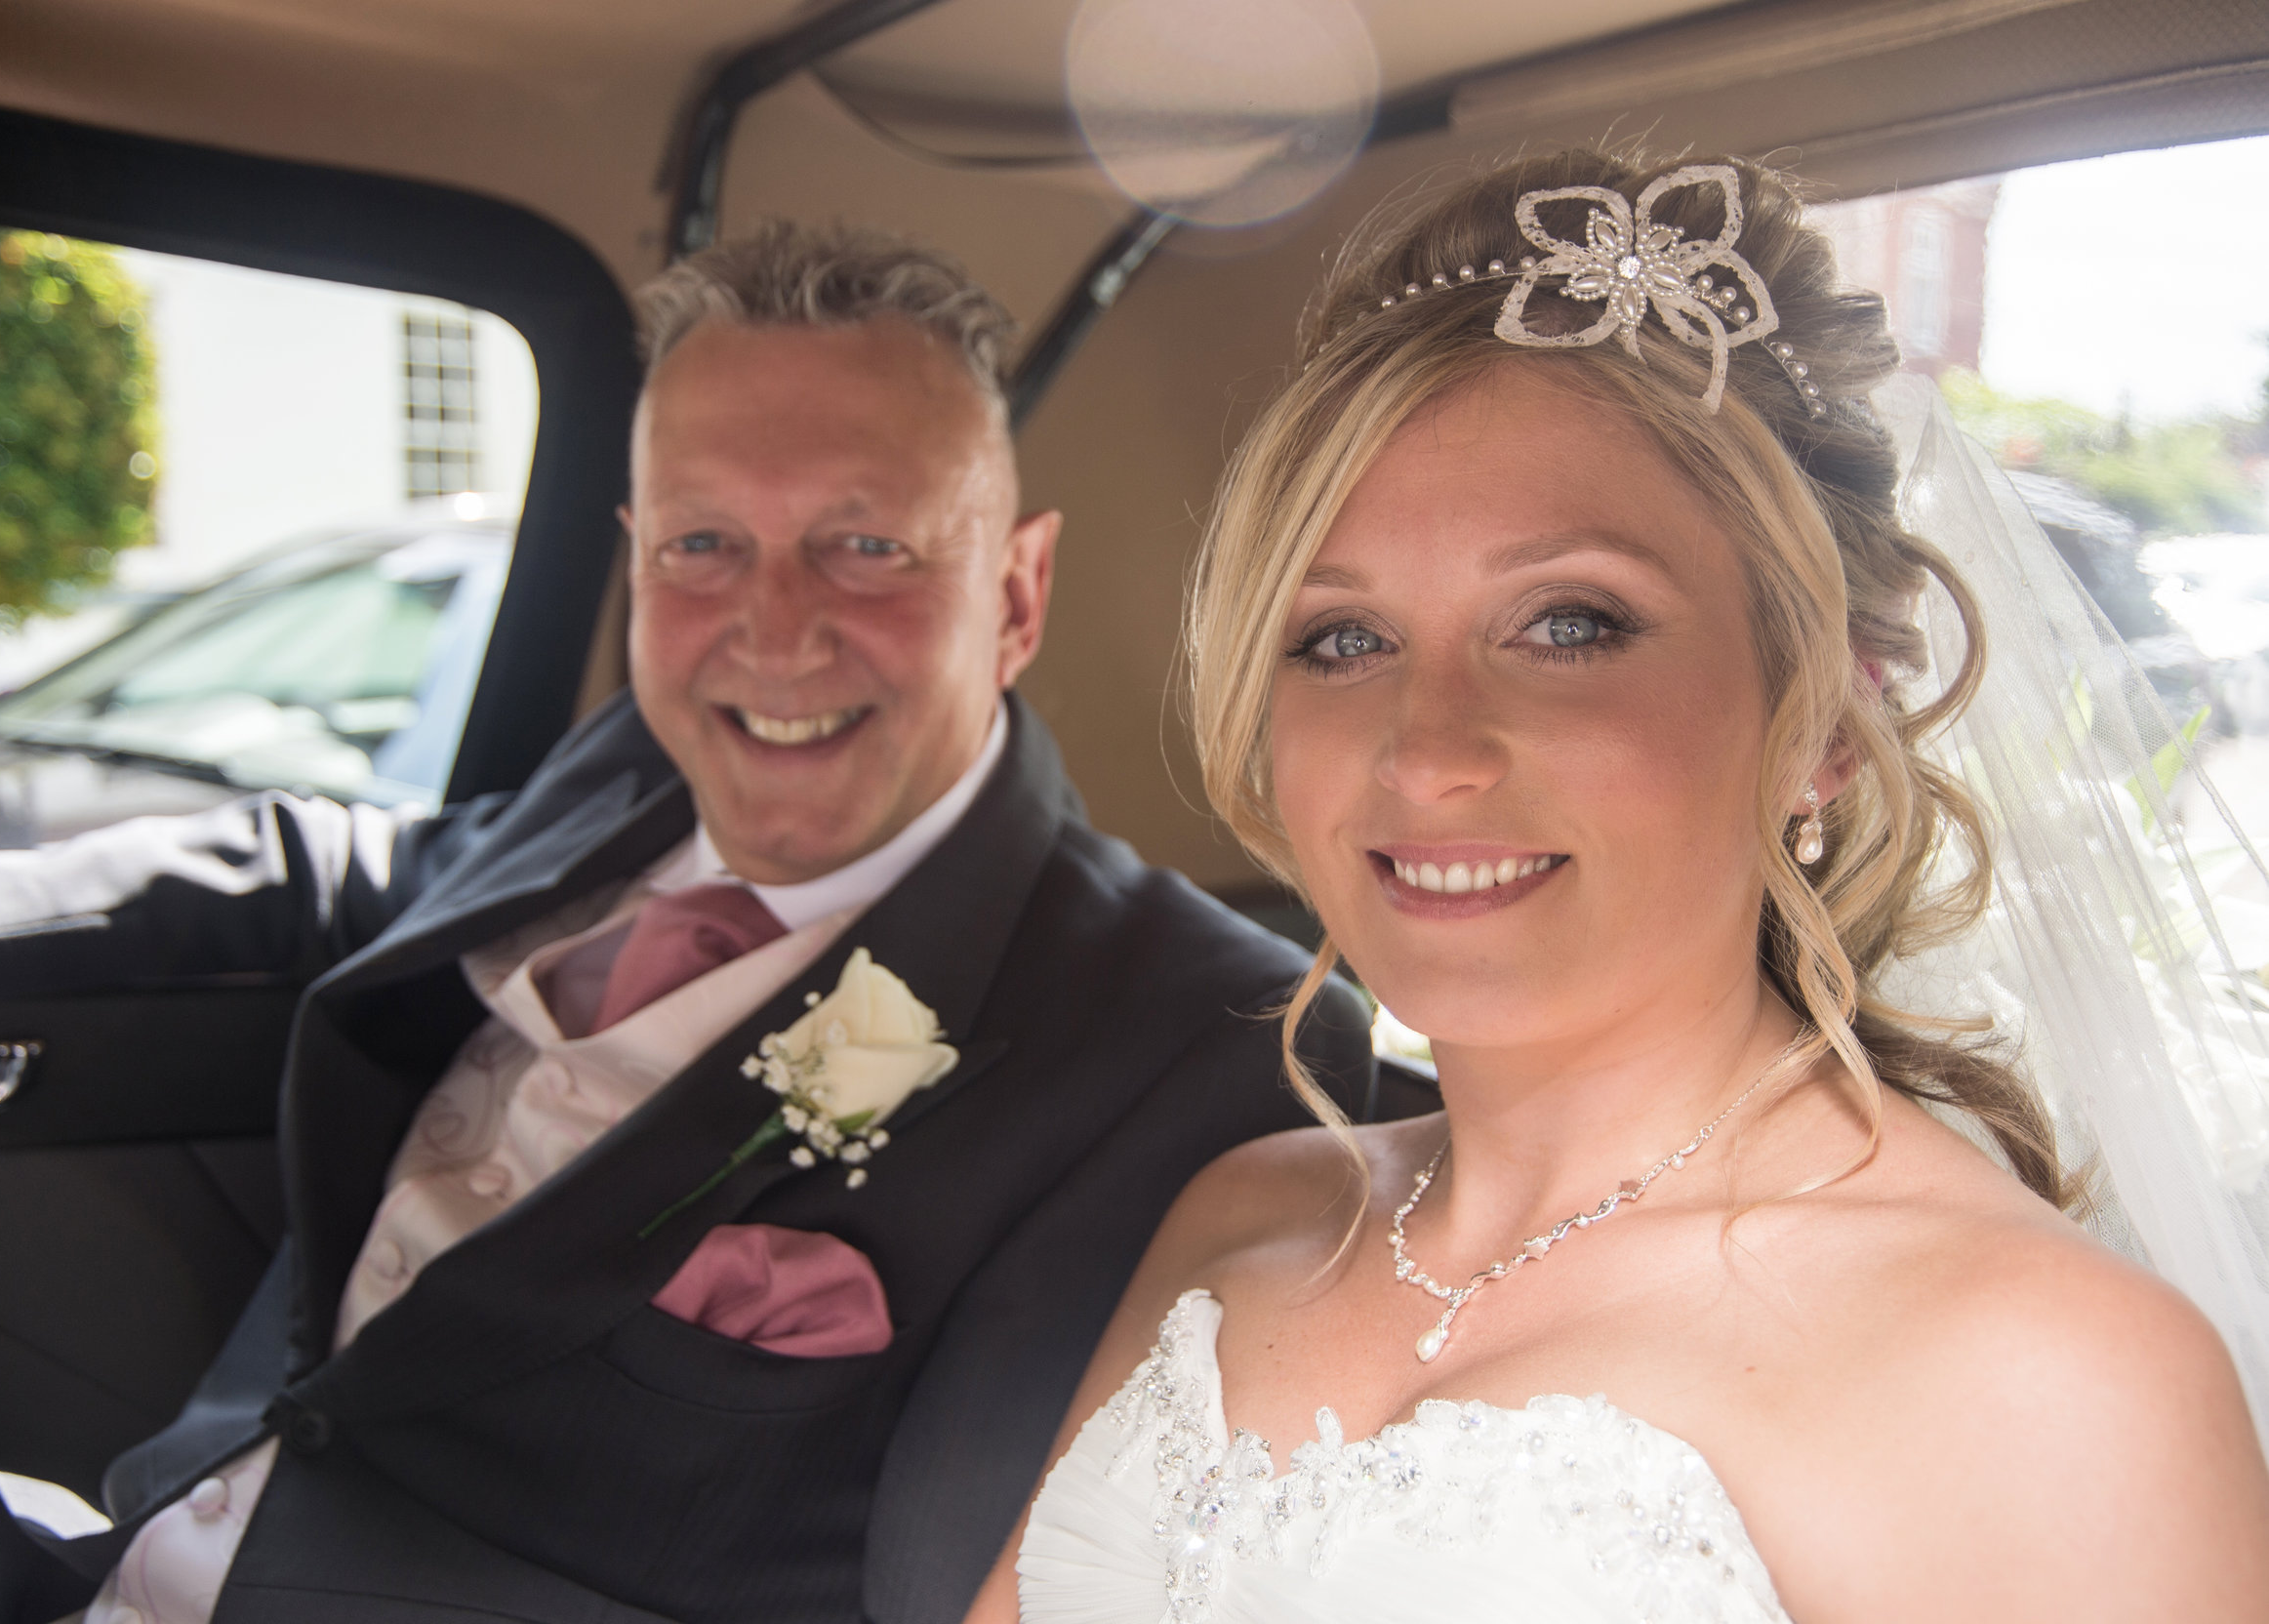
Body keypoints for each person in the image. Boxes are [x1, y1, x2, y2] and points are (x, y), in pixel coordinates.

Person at [0, 223, 1393, 1623]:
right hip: (118, 1541)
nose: (773, 634)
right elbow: (334, 866)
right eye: (702, 543)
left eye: (867, 545)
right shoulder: (625, 776)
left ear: (1018, 595)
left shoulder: (1215, 1049)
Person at [968, 151, 2269, 1624]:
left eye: (1571, 623)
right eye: (1340, 639)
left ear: (1827, 724)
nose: (1429, 749)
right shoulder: (1238, 1220)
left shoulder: (2045, 1373)